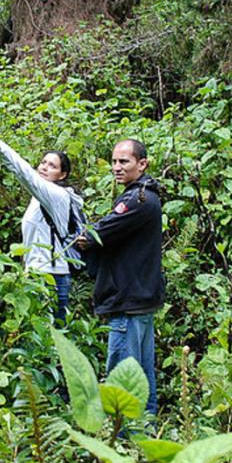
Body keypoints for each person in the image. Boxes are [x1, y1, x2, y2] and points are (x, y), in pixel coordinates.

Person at [76, 139, 163, 415]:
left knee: (122, 378)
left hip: (128, 301)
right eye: (114, 161)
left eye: (123, 161)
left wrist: (83, 238)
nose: (116, 167)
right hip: (141, 300)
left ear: (142, 164)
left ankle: (123, 439)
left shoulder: (139, 199)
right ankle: (145, 433)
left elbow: (101, 232)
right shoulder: (144, 195)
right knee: (142, 374)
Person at [0, 130, 83, 323]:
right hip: (37, 274)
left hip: (51, 277)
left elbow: (25, 174)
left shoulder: (56, 195)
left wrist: (0, 147)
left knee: (49, 340)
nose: (44, 167)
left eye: (52, 166)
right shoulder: (39, 198)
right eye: (43, 162)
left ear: (62, 174)